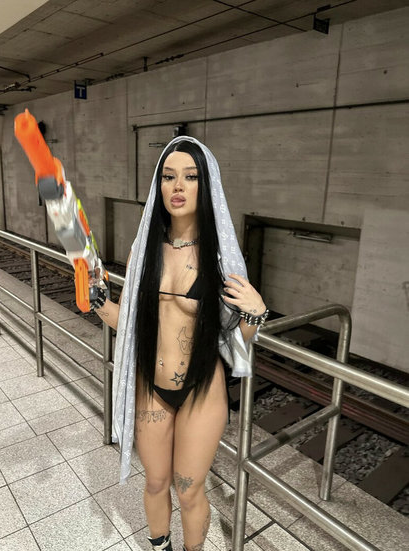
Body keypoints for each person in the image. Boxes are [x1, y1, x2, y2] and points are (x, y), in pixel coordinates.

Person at [91, 136, 268, 551]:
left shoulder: (221, 257)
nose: (178, 186)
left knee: (189, 491)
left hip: (202, 391)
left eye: (190, 177)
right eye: (168, 176)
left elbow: (236, 342)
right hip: (151, 388)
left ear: (207, 185)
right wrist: (98, 302)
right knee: (156, 481)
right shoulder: (143, 251)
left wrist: (255, 314)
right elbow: (126, 323)